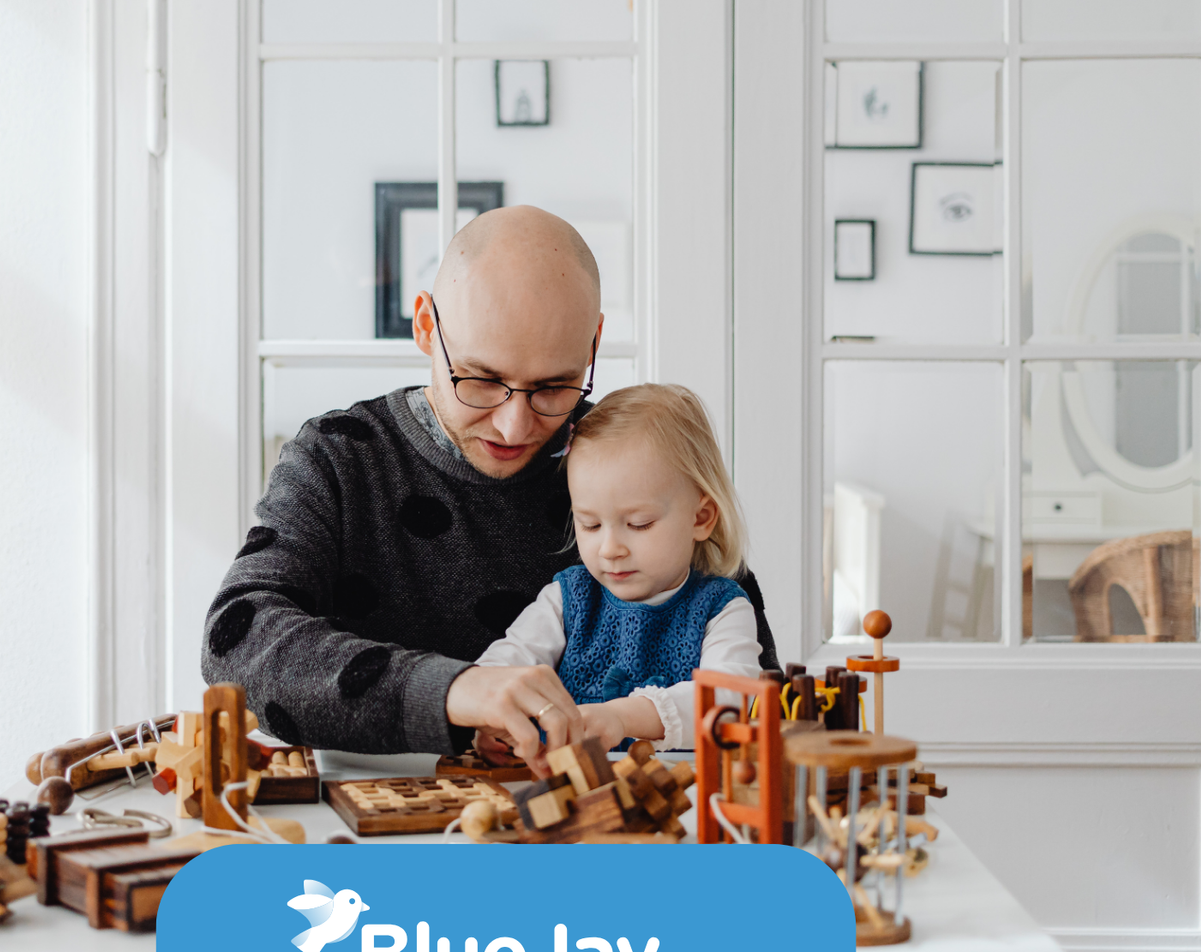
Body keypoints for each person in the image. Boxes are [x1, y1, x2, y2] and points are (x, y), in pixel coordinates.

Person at [201, 206, 775, 775]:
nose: (514, 427)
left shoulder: (631, 466)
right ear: (426, 326)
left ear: (594, 343)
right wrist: (456, 692)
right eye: (479, 379)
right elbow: (236, 641)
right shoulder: (340, 455)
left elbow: (757, 690)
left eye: (554, 387)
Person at [470, 383, 762, 751]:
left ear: (700, 517)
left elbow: (728, 701)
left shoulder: (722, 609)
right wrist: (492, 714)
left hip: (682, 798)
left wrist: (624, 717)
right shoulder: (567, 599)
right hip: (567, 793)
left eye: (638, 524)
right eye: (590, 525)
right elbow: (510, 661)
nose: (609, 549)